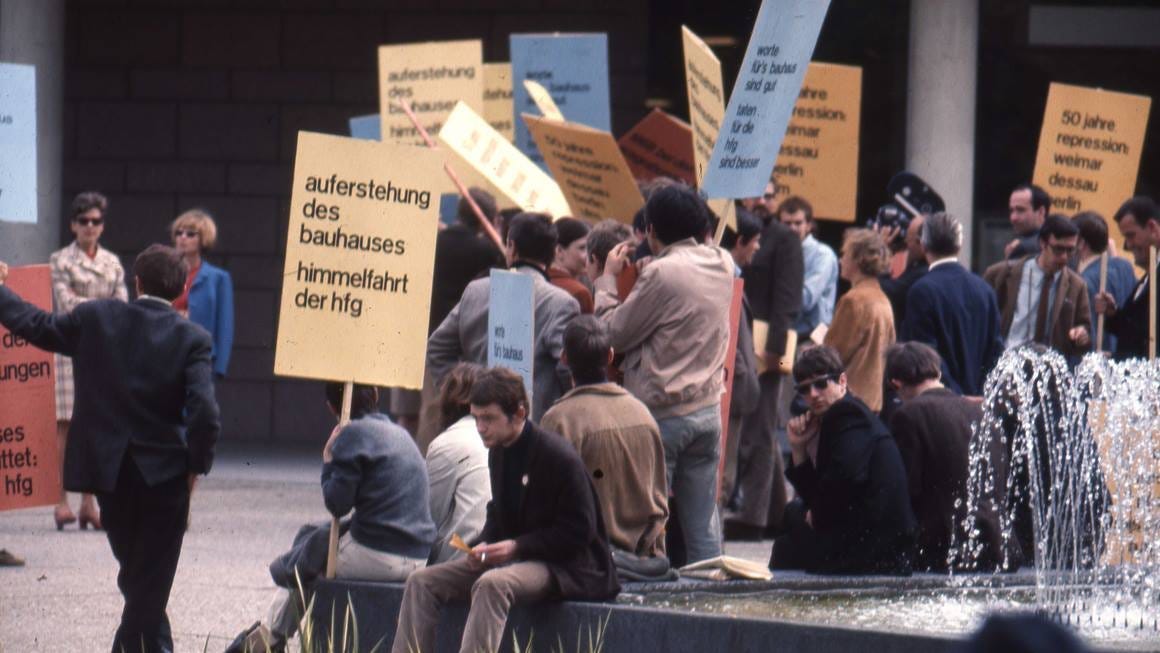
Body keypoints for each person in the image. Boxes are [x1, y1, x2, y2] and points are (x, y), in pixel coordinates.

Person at [0, 245, 220, 653]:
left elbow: (35, 324)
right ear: (182, 287)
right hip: (165, 475)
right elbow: (205, 412)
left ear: (136, 282)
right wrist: (196, 465)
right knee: (146, 586)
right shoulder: (192, 338)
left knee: (140, 581)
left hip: (108, 474)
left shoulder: (96, 316)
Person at [390, 368, 618, 653]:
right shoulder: (498, 451)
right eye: (476, 418)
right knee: (421, 581)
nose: (481, 427)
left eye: (489, 418)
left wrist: (515, 547)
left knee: (492, 585)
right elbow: (498, 514)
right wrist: (480, 546)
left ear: (519, 413)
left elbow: (579, 532)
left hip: (567, 566)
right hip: (519, 556)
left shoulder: (557, 456)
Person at [229, 383, 435, 652]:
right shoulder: (401, 433)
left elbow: (337, 504)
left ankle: (269, 640)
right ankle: (270, 636)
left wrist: (328, 460)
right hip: (418, 556)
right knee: (313, 540)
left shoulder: (352, 434)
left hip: (379, 555)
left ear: (331, 407)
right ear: (374, 395)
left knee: (308, 562)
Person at [596, 184, 734, 563]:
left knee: (648, 525)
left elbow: (613, 332)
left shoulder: (662, 273)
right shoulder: (723, 262)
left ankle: (653, 609)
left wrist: (607, 281)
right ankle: (710, 597)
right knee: (703, 525)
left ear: (651, 230)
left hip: (663, 417)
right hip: (707, 411)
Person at [769, 346, 915, 575]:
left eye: (821, 384)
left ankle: (783, 604)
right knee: (792, 517)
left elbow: (843, 480)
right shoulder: (846, 413)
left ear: (842, 381)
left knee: (787, 541)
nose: (813, 394)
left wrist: (816, 514)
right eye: (805, 389)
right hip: (876, 543)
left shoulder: (846, 413)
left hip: (873, 551)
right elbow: (828, 491)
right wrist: (799, 449)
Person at [427, 212, 580, 422]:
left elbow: (436, 349)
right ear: (553, 253)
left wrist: (463, 395)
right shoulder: (561, 302)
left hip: (477, 423)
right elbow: (568, 368)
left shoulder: (476, 291)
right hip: (533, 426)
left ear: (512, 247)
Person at [541, 316, 669, 558]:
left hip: (586, 558)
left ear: (565, 359)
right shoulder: (643, 415)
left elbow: (546, 506)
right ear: (610, 356)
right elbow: (660, 499)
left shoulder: (558, 419)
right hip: (643, 559)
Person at [884, 342, 1006, 571]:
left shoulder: (907, 415)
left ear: (896, 383)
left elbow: (907, 489)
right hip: (995, 543)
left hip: (942, 549)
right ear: (938, 372)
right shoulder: (979, 410)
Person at [48, 191, 129, 531]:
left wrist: (97, 310)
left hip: (103, 353)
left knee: (97, 426)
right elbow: (66, 303)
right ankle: (60, 501)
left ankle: (89, 504)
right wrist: (103, 310)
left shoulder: (112, 262)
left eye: (96, 221)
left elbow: (123, 303)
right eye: (84, 221)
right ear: (73, 224)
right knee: (64, 426)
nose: (90, 227)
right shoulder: (60, 261)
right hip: (70, 350)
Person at [727, 199, 804, 540]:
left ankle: (753, 517)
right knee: (759, 431)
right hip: (743, 335)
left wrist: (773, 350)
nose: (762, 200)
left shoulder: (783, 239)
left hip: (766, 343)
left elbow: (787, 297)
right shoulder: (733, 228)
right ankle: (773, 512)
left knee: (758, 430)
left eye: (769, 194)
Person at [414, 188, 507, 444]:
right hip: (471, 339)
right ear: (487, 218)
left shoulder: (437, 243)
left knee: (433, 408)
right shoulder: (486, 251)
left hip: (434, 333)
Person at [901, 212, 1004, 396]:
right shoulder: (984, 290)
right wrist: (980, 395)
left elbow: (924, 357)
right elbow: (995, 352)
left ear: (923, 246)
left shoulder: (922, 291)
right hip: (978, 403)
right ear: (959, 245)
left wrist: (956, 397)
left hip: (939, 405)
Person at [983, 214, 1091, 358]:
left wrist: (1081, 334)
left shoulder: (1077, 285)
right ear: (1042, 244)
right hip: (1007, 361)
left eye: (1070, 250)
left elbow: (1085, 330)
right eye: (1058, 249)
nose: (1065, 257)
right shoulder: (1001, 274)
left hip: (1051, 368)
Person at [718, 210, 762, 510]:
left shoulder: (734, 276)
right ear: (741, 240)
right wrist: (744, 379)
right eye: (755, 241)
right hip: (729, 393)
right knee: (722, 481)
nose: (758, 248)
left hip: (735, 391)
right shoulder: (725, 277)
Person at [426, 363, 491, 565]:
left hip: (460, 560)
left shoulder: (446, 444)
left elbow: (428, 519)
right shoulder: (502, 434)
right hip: (498, 557)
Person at [824, 229, 895, 412]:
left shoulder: (853, 301)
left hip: (848, 399)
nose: (841, 260)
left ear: (858, 259)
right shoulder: (883, 300)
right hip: (873, 401)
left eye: (845, 254)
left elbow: (833, 354)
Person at [170, 208, 235, 378]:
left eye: (191, 234)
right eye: (179, 233)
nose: (183, 237)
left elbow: (224, 325)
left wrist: (220, 367)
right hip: (167, 352)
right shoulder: (164, 272)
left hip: (200, 358)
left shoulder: (218, 278)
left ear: (203, 239)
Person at [1095, 196, 1160, 360]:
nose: (1128, 245)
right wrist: (1114, 314)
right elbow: (1139, 330)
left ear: (1152, 228)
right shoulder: (1149, 276)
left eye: (1131, 235)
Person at [1072, 211, 1137, 354]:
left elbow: (1089, 332)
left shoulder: (1083, 282)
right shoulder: (1125, 266)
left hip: (1098, 363)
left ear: (1081, 243)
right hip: (1126, 359)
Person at [779, 196, 838, 341]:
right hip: (781, 333)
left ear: (809, 225)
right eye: (787, 223)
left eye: (798, 223)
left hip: (809, 338)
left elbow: (805, 299)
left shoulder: (823, 255)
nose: (792, 228)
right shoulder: (776, 251)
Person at [879, 213, 928, 327]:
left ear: (921, 243)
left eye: (909, 239)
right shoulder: (919, 267)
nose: (906, 244)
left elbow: (884, 291)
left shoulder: (923, 273)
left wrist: (882, 252)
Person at [549, 217, 594, 313]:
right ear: (559, 251)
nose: (589, 255)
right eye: (582, 248)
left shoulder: (534, 283)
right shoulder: (579, 292)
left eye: (589, 248)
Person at [1005, 183, 1051, 259]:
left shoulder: (1022, 248)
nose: (1013, 218)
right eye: (1011, 211)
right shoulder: (1063, 243)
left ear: (1041, 212)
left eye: (1020, 210)